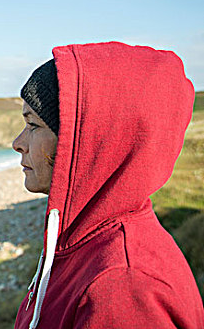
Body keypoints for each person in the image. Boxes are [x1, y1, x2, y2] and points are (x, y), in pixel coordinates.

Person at [12, 41, 204, 328]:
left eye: (34, 125)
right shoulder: (85, 237)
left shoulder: (122, 287)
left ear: (90, 142)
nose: (18, 144)